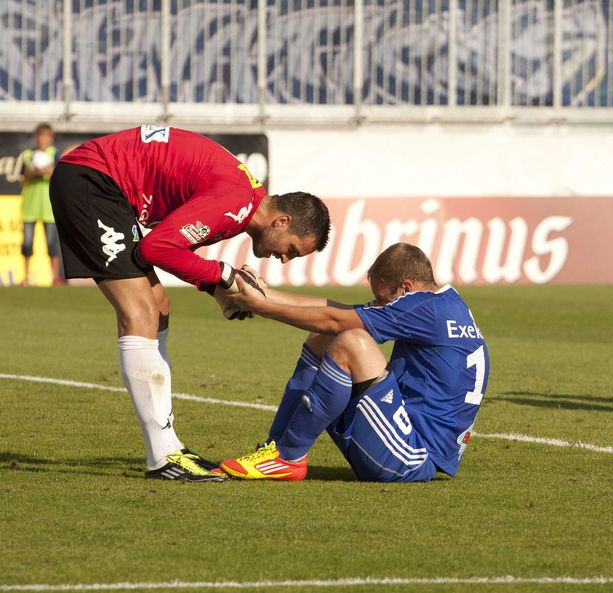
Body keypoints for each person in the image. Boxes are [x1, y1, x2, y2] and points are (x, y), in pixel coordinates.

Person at [49, 125, 331, 482]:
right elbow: (156, 249)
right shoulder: (235, 203)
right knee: (140, 311)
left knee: (159, 306)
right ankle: (162, 456)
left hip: (104, 184)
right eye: (291, 249)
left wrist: (216, 289)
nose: (284, 259)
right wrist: (223, 275)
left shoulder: (243, 202)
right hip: (93, 180)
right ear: (282, 221)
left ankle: (170, 446)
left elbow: (174, 251)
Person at [219, 243, 489, 483]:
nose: (379, 303)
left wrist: (261, 307)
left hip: (413, 456)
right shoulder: (442, 303)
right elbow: (341, 313)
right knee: (329, 335)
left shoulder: (422, 307)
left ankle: (288, 457)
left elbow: (337, 320)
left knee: (351, 342)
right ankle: (274, 450)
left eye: (382, 298)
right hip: (406, 440)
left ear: (406, 286)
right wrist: (265, 294)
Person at [21, 123, 63, 286]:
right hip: (30, 207)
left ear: (50, 138)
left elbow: (60, 178)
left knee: (52, 244)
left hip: (48, 207)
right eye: (40, 136)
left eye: (45, 136)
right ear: (36, 137)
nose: (42, 139)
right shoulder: (27, 155)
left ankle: (55, 277)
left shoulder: (54, 155)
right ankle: (25, 277)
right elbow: (23, 181)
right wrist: (31, 173)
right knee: (27, 243)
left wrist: (49, 171)